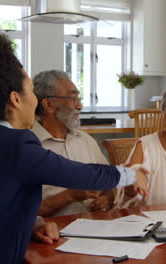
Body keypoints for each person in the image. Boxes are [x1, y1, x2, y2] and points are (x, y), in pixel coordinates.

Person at [0, 27, 147, 264]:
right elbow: (84, 174)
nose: (35, 100)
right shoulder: (18, 145)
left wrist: (31, 225)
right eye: (30, 91)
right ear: (16, 99)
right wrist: (131, 174)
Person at [32, 70, 114, 216]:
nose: (80, 106)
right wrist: (69, 196)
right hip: (52, 233)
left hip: (95, 227)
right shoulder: (30, 147)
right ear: (49, 104)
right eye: (73, 99)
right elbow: (22, 213)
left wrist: (106, 199)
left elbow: (109, 187)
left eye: (79, 99)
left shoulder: (86, 141)